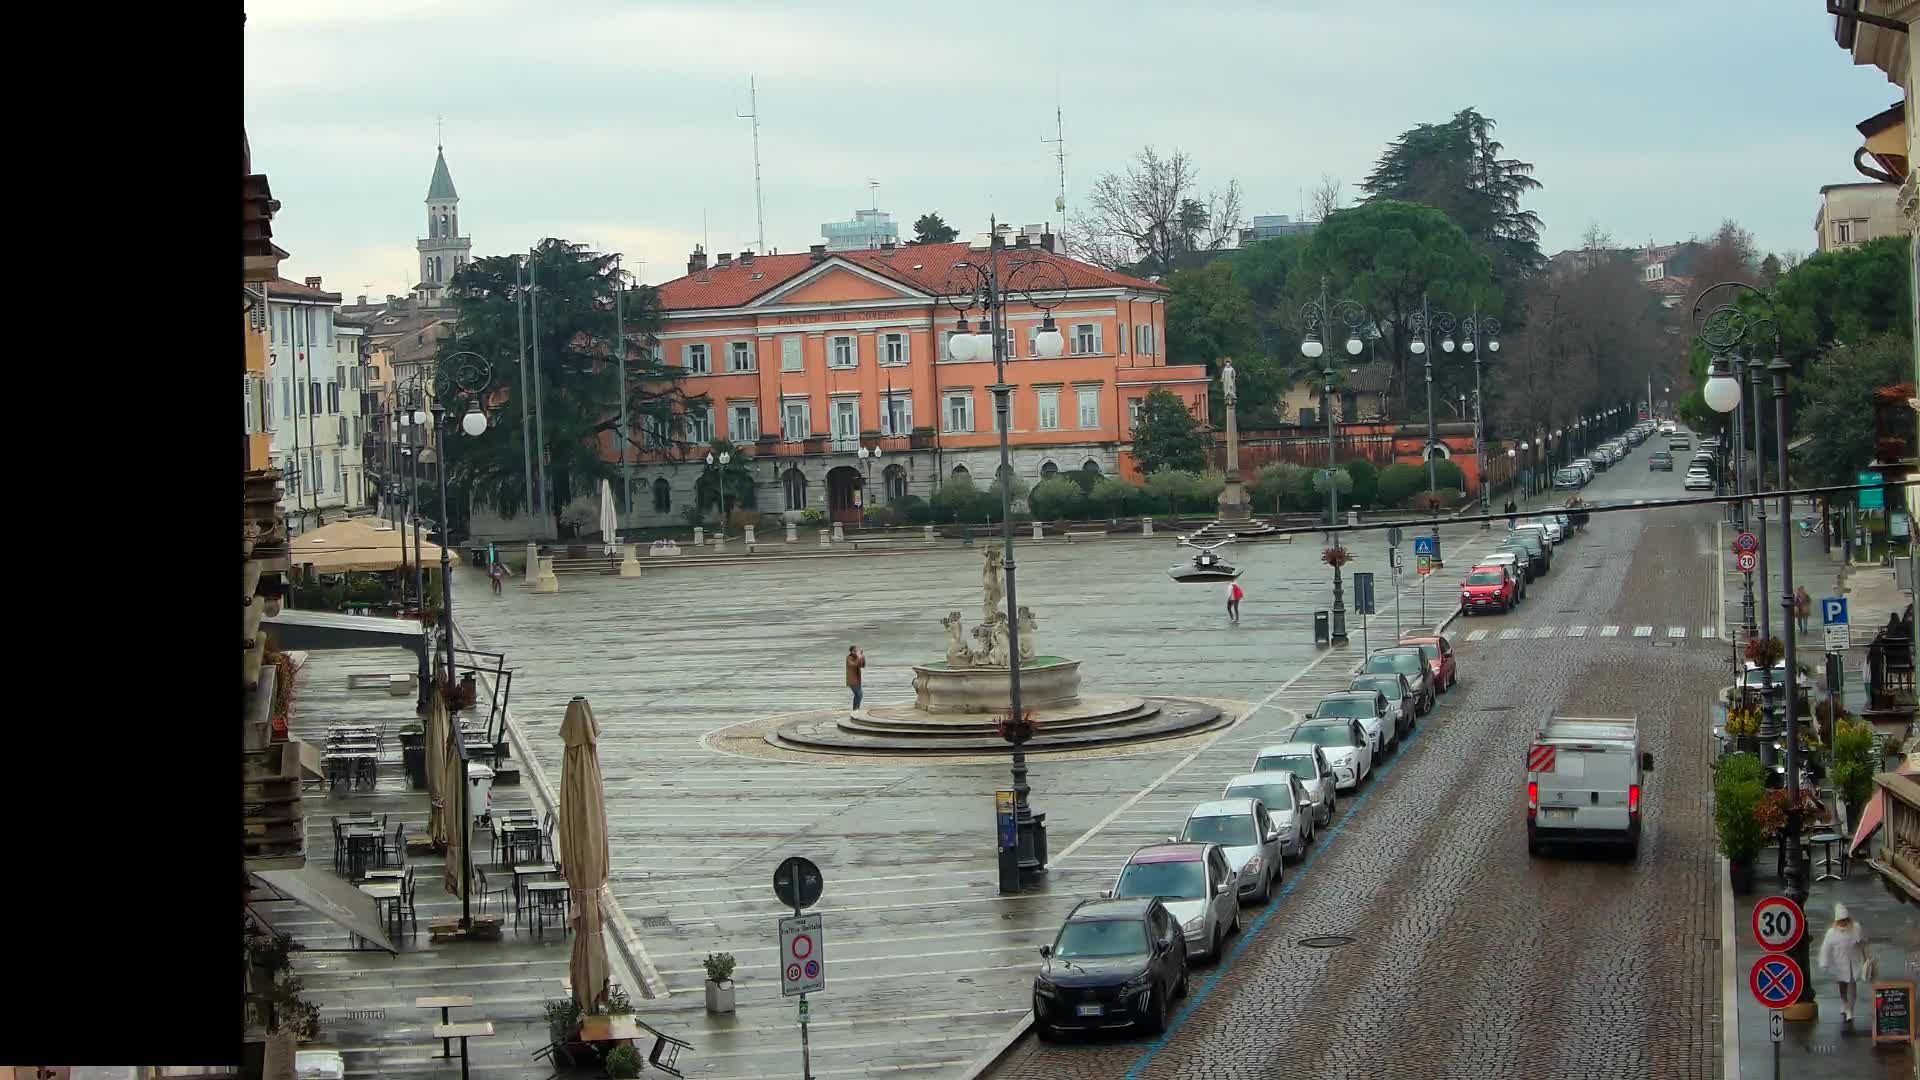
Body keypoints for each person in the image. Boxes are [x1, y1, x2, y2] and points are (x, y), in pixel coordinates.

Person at [1819, 902, 1873, 1023]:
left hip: (1854, 963)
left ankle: (1850, 1010)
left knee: (1853, 988)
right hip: (1839, 965)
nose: (1843, 923)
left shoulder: (1856, 928)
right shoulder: (1831, 933)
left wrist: (1866, 957)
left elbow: (1862, 943)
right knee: (1843, 988)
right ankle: (1844, 1002)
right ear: (1836, 921)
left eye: (1845, 920)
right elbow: (1825, 948)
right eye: (1841, 920)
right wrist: (1824, 962)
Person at [845, 645, 865, 709]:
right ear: (851, 651)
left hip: (857, 680)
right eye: (854, 650)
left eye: (856, 650)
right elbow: (854, 665)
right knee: (859, 694)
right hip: (852, 680)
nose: (856, 652)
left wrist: (862, 657)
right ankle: (856, 708)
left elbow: (862, 665)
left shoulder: (857, 657)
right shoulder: (849, 658)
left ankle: (855, 708)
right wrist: (859, 657)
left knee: (858, 695)